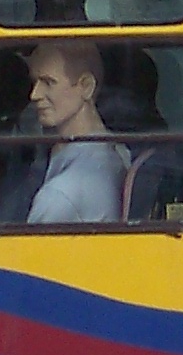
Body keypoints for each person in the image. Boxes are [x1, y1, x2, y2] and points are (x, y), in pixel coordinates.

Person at [22, 39, 130, 225]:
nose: (35, 94)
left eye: (48, 82)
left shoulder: (60, 195)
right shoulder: (119, 152)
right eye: (34, 82)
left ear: (86, 86)